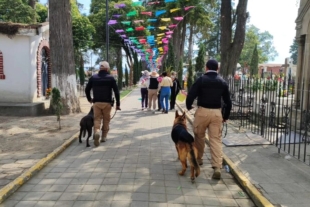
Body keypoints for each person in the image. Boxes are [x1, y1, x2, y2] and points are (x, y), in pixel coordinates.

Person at [186, 59, 232, 179]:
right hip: (217, 113)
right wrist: (225, 116)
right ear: (217, 69)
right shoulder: (222, 82)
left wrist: (188, 106)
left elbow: (191, 94)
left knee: (199, 136)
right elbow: (228, 102)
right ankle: (217, 166)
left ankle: (199, 159)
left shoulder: (201, 80)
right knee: (215, 140)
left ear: (206, 68)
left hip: (202, 112)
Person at [85, 61, 121, 146]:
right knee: (106, 119)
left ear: (100, 68)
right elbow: (116, 92)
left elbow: (87, 89)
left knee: (97, 119)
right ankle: (104, 136)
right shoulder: (111, 78)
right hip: (107, 103)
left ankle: (97, 131)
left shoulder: (93, 77)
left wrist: (89, 99)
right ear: (107, 69)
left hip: (96, 102)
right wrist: (118, 104)